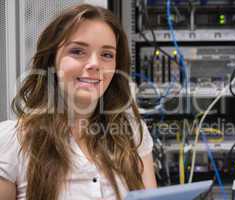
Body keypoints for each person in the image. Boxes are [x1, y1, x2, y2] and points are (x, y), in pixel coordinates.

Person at [0, 4, 157, 200]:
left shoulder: (132, 132)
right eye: (77, 51)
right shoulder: (11, 142)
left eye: (107, 55)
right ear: (52, 61)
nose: (95, 64)